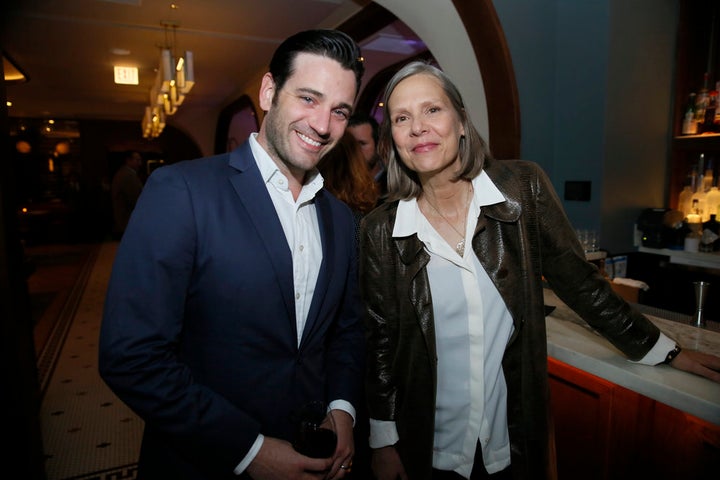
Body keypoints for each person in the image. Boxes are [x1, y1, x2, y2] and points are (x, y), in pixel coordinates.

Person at [358, 61, 720, 480]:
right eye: (402, 118)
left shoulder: (522, 189)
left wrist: (664, 349)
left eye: (432, 110)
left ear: (461, 122)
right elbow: (379, 341)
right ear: (393, 140)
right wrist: (384, 442)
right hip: (426, 447)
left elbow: (582, 284)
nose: (418, 127)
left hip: (507, 445)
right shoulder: (380, 230)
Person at [99, 29, 366, 480]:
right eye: (308, 98)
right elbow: (132, 356)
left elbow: (345, 331)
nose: (322, 125)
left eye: (339, 111)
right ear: (269, 92)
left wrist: (342, 408)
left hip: (314, 454)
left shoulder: (340, 218)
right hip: (204, 461)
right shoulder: (182, 191)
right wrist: (250, 450)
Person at [347, 113, 387, 201]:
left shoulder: (392, 187)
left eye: (362, 144)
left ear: (378, 145)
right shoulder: (337, 182)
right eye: (350, 144)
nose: (355, 150)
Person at [110, 150, 143, 240]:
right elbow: (135, 199)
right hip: (127, 219)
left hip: (126, 219)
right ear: (128, 160)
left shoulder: (125, 173)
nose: (140, 163)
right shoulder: (127, 175)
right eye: (137, 160)